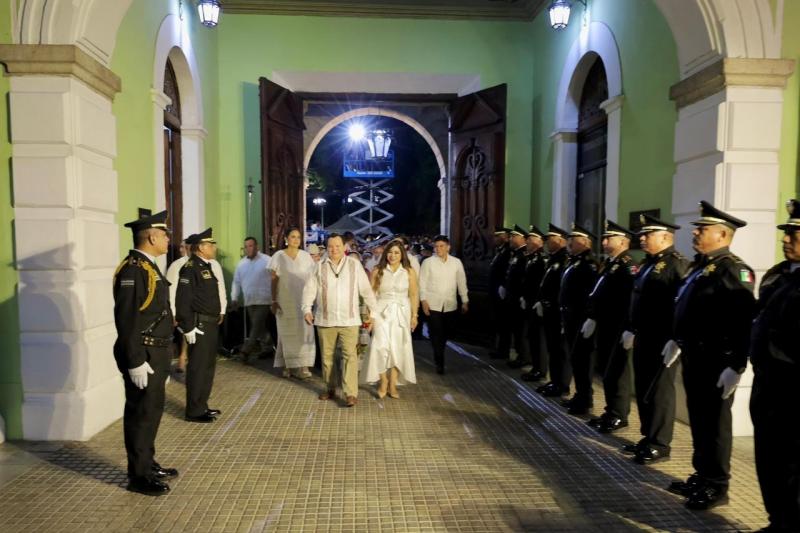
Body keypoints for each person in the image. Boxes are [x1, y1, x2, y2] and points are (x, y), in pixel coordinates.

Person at [663, 201, 755, 510]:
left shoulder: (734, 269)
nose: (696, 233)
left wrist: (737, 364)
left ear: (723, 234)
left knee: (715, 424)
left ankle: (717, 485)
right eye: (697, 228)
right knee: (699, 421)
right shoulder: (699, 266)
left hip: (717, 361)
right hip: (696, 358)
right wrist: (678, 339)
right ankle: (702, 475)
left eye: (703, 229)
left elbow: (743, 320)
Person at [113, 209, 178, 496]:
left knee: (151, 413)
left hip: (157, 351)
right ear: (151, 236)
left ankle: (148, 463)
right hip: (144, 353)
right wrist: (136, 361)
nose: (167, 239)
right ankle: (138, 476)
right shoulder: (133, 270)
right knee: (140, 414)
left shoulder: (148, 267)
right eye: (164, 234)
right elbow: (126, 320)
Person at [750, 199, 800, 533]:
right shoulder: (780, 274)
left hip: (793, 392)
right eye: (786, 233)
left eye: (794, 234)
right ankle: (777, 522)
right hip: (768, 385)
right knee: (769, 460)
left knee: (794, 467)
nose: (786, 239)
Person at [621, 214, 688, 462]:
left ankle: (660, 443)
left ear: (665, 237)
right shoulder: (648, 263)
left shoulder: (677, 264)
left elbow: (680, 306)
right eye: (642, 234)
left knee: (660, 391)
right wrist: (632, 327)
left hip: (662, 340)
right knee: (644, 390)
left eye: (648, 234)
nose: (642, 238)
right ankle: (647, 436)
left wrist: (676, 339)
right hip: (644, 337)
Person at [302, 233, 378, 407]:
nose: (334, 249)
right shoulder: (319, 266)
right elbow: (309, 289)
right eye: (330, 246)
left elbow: (366, 290)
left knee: (350, 356)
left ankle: (350, 393)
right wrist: (306, 308)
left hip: (349, 319)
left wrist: (373, 312)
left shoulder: (354, 265)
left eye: (337, 246)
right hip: (325, 319)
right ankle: (330, 388)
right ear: (326, 248)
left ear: (344, 247)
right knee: (327, 357)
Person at [584, 221, 637, 433]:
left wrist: (629, 327)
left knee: (618, 372)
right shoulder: (611, 263)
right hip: (605, 325)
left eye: (609, 238)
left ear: (623, 241)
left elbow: (629, 300)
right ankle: (610, 410)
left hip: (618, 327)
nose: (604, 242)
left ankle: (618, 415)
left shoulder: (628, 265)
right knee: (607, 371)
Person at [176, 228, 224, 423]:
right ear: (201, 248)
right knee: (198, 368)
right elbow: (183, 299)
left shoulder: (206, 266)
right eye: (211, 245)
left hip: (210, 324)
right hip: (200, 325)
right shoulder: (190, 267)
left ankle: (202, 405)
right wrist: (187, 327)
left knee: (207, 368)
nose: (214, 248)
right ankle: (194, 411)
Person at [362, 240, 419, 398]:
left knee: (398, 348)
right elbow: (371, 295)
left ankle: (393, 384)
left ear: (402, 255)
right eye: (390, 252)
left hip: (402, 312)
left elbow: (414, 294)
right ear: (385, 253)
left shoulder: (409, 272)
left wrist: (414, 315)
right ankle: (383, 381)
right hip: (381, 312)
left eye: (396, 253)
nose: (392, 256)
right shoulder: (377, 270)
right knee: (380, 347)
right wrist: (370, 316)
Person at [560, 223, 599, 415]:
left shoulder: (589, 263)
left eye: (572, 242)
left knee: (583, 360)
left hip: (581, 320)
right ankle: (580, 394)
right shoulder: (574, 261)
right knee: (576, 358)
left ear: (584, 243)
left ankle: (585, 399)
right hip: (570, 318)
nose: (568, 245)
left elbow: (590, 294)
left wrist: (588, 317)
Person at [419, 235, 469, 375]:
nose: (438, 249)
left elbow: (461, 281)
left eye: (441, 246)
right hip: (432, 304)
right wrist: (423, 301)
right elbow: (422, 282)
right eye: (436, 246)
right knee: (436, 332)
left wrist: (465, 300)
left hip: (450, 304)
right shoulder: (428, 262)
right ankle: (439, 360)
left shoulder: (456, 262)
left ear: (448, 247)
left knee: (446, 332)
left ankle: (439, 350)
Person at [271, 227, 317, 379]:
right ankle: (287, 366)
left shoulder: (306, 256)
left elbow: (313, 278)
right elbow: (273, 279)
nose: (296, 240)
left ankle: (304, 366)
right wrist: (273, 300)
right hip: (284, 300)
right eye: (292, 236)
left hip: (303, 300)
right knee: (286, 333)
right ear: (286, 238)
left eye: (298, 237)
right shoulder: (278, 256)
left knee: (304, 331)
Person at [535, 224, 570, 397]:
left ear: (561, 241)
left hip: (558, 312)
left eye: (550, 240)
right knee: (553, 349)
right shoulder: (553, 258)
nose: (547, 243)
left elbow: (563, 288)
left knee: (559, 350)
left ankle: (561, 384)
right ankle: (555, 380)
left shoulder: (564, 259)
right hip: (550, 310)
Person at [230, 236, 274, 363]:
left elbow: (275, 278)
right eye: (246, 246)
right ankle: (268, 347)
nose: (248, 249)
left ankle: (245, 351)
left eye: (251, 246)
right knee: (259, 326)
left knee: (255, 326)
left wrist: (275, 298)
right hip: (249, 300)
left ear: (257, 247)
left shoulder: (267, 260)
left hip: (264, 300)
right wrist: (234, 298)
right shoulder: (241, 264)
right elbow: (236, 282)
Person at [497, 225, 531, 368]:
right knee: (516, 329)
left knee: (520, 329)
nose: (511, 239)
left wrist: (523, 295)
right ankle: (519, 354)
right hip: (512, 297)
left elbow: (525, 278)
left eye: (514, 236)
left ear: (522, 238)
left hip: (518, 298)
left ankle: (523, 356)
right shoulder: (515, 254)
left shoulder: (524, 255)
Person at [520, 225, 547, 382]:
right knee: (532, 336)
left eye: (530, 240)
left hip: (537, 303)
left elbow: (541, 284)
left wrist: (538, 301)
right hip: (530, 302)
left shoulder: (541, 260)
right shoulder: (532, 258)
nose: (527, 242)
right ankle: (536, 367)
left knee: (538, 338)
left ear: (538, 242)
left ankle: (540, 369)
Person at [166, 240, 191, 373]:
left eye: (184, 246)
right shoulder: (176, 265)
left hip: (196, 307)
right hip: (181, 307)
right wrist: (173, 311)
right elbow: (171, 289)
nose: (181, 249)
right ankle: (182, 357)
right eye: (180, 246)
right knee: (184, 334)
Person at [488, 227, 512, 357]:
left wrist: (503, 285)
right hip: (495, 292)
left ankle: (503, 350)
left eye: (497, 236)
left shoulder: (508, 252)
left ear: (504, 237)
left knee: (503, 323)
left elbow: (507, 271)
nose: (495, 239)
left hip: (501, 293)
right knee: (498, 322)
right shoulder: (500, 251)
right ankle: (499, 348)